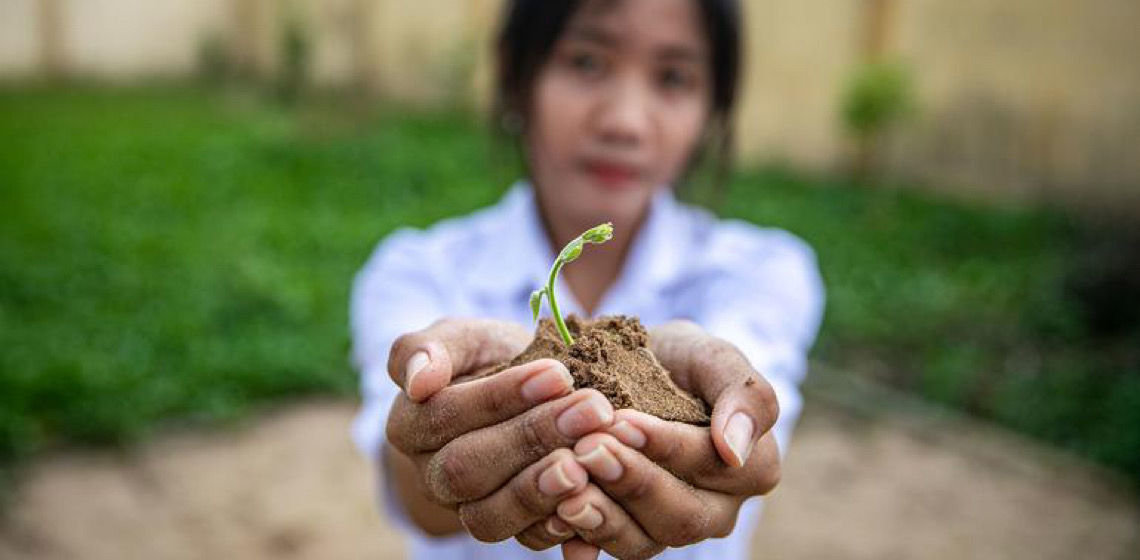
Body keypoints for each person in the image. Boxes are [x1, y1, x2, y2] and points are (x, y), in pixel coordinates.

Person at [350, 0, 825, 558]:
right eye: (586, 62)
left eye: (673, 77)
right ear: (514, 73)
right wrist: (435, 444)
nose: (624, 121)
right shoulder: (418, 270)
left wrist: (733, 423)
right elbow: (414, 480)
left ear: (712, 104)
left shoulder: (761, 270)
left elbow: (747, 414)